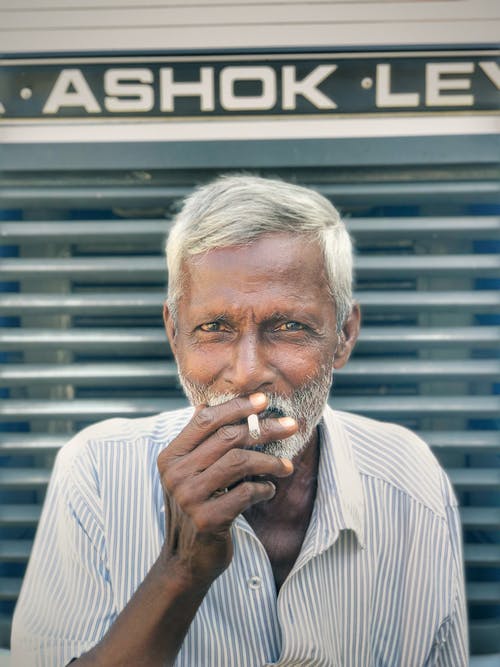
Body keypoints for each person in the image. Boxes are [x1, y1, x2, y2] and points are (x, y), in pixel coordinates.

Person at [11, 175, 468, 666]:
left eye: (289, 326)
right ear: (174, 334)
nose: (248, 372)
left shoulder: (409, 477)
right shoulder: (98, 472)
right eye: (213, 328)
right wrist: (181, 567)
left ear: (344, 335)